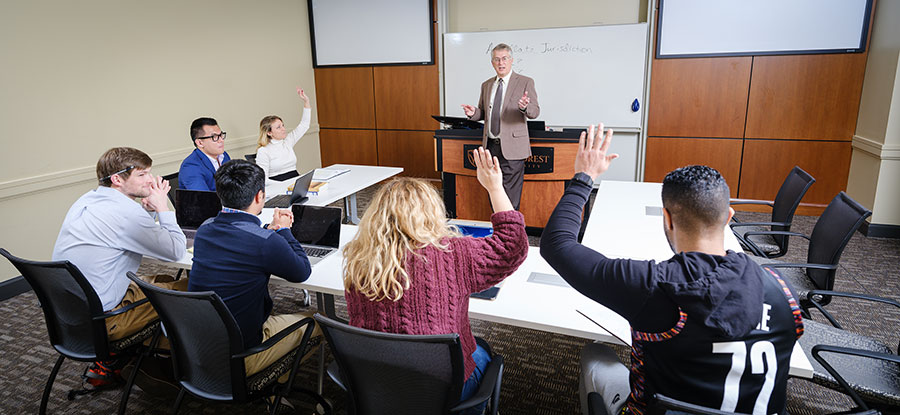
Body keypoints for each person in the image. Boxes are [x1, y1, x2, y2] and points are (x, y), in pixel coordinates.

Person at [540, 124, 804, 415]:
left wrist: (584, 176)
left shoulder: (652, 286)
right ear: (728, 217)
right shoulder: (783, 290)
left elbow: (557, 245)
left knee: (595, 354)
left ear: (666, 218)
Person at [342, 147, 528, 414]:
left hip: (378, 381)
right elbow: (512, 245)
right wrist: (495, 188)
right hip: (442, 388)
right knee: (482, 352)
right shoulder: (453, 253)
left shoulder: (358, 258)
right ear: (431, 213)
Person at [53, 147, 187, 384]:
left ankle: (121, 358)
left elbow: (123, 229)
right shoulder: (124, 213)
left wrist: (144, 211)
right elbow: (175, 251)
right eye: (142, 175)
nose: (151, 180)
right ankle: (181, 363)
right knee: (191, 289)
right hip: (106, 320)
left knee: (163, 281)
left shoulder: (87, 199)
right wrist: (162, 208)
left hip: (70, 315)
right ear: (117, 179)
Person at [188, 159, 318, 388]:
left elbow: (240, 239)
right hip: (242, 355)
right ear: (260, 196)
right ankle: (272, 386)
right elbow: (302, 271)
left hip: (199, 348)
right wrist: (284, 231)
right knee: (317, 321)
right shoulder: (265, 241)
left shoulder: (205, 228)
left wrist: (267, 232)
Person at [461, 43, 539, 210]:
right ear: (492, 63)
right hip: (490, 146)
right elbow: (483, 113)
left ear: (511, 60)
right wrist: (473, 113)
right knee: (493, 190)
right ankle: (498, 229)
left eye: (504, 59)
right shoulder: (487, 84)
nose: (501, 63)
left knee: (510, 193)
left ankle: (510, 232)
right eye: (496, 59)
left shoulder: (525, 82)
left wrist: (524, 107)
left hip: (513, 148)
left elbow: (535, 112)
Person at [256, 87, 312, 187]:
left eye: (283, 125)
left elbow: (304, 125)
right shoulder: (263, 151)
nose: (283, 129)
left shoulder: (287, 141)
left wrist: (306, 101)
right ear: (269, 132)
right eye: (278, 127)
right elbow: (263, 180)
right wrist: (285, 185)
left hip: (295, 181)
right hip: (278, 186)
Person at [179, 117, 232, 191]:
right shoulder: (191, 166)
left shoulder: (224, 156)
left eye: (221, 135)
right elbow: (203, 200)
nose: (221, 140)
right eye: (215, 137)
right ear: (200, 143)